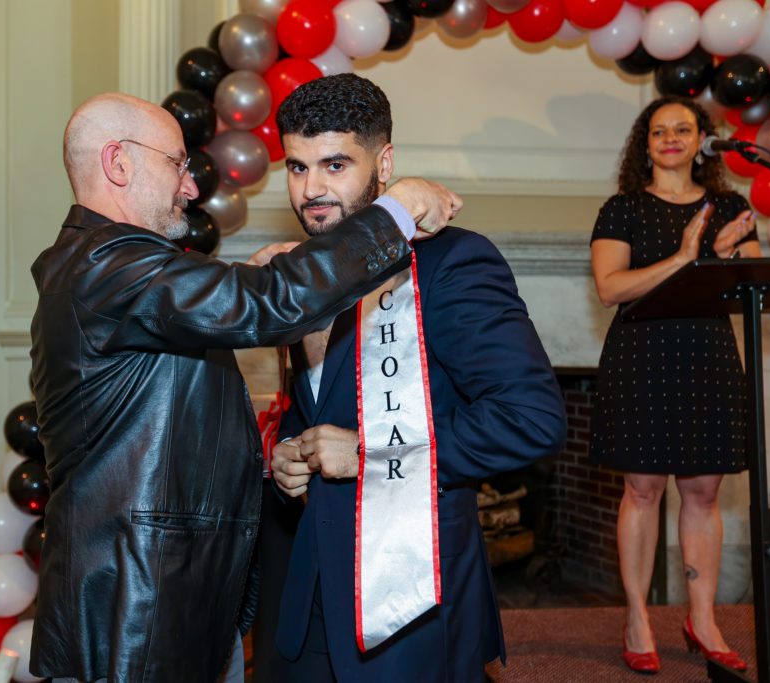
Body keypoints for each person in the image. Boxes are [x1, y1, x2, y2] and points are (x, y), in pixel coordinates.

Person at [28, 91, 463, 683]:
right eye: (177, 164)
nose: (190, 186)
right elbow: (270, 305)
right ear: (118, 163)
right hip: (135, 607)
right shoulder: (108, 265)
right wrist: (398, 210)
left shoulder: (104, 266)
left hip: (162, 597)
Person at [266, 74, 568, 683]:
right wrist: (287, 456)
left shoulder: (454, 261)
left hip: (410, 598)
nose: (312, 190)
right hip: (310, 596)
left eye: (333, 164)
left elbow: (532, 418)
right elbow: (321, 407)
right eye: (297, 168)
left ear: (385, 162)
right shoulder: (303, 275)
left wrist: (373, 454)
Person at [589, 95, 760, 674]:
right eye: (657, 130)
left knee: (704, 493)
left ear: (700, 139)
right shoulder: (623, 208)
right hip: (641, 355)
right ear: (645, 143)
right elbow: (611, 287)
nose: (669, 138)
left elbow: (750, 286)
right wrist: (686, 256)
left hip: (708, 356)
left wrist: (716, 253)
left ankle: (702, 616)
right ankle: (637, 615)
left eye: (682, 128)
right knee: (642, 490)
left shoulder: (730, 205)